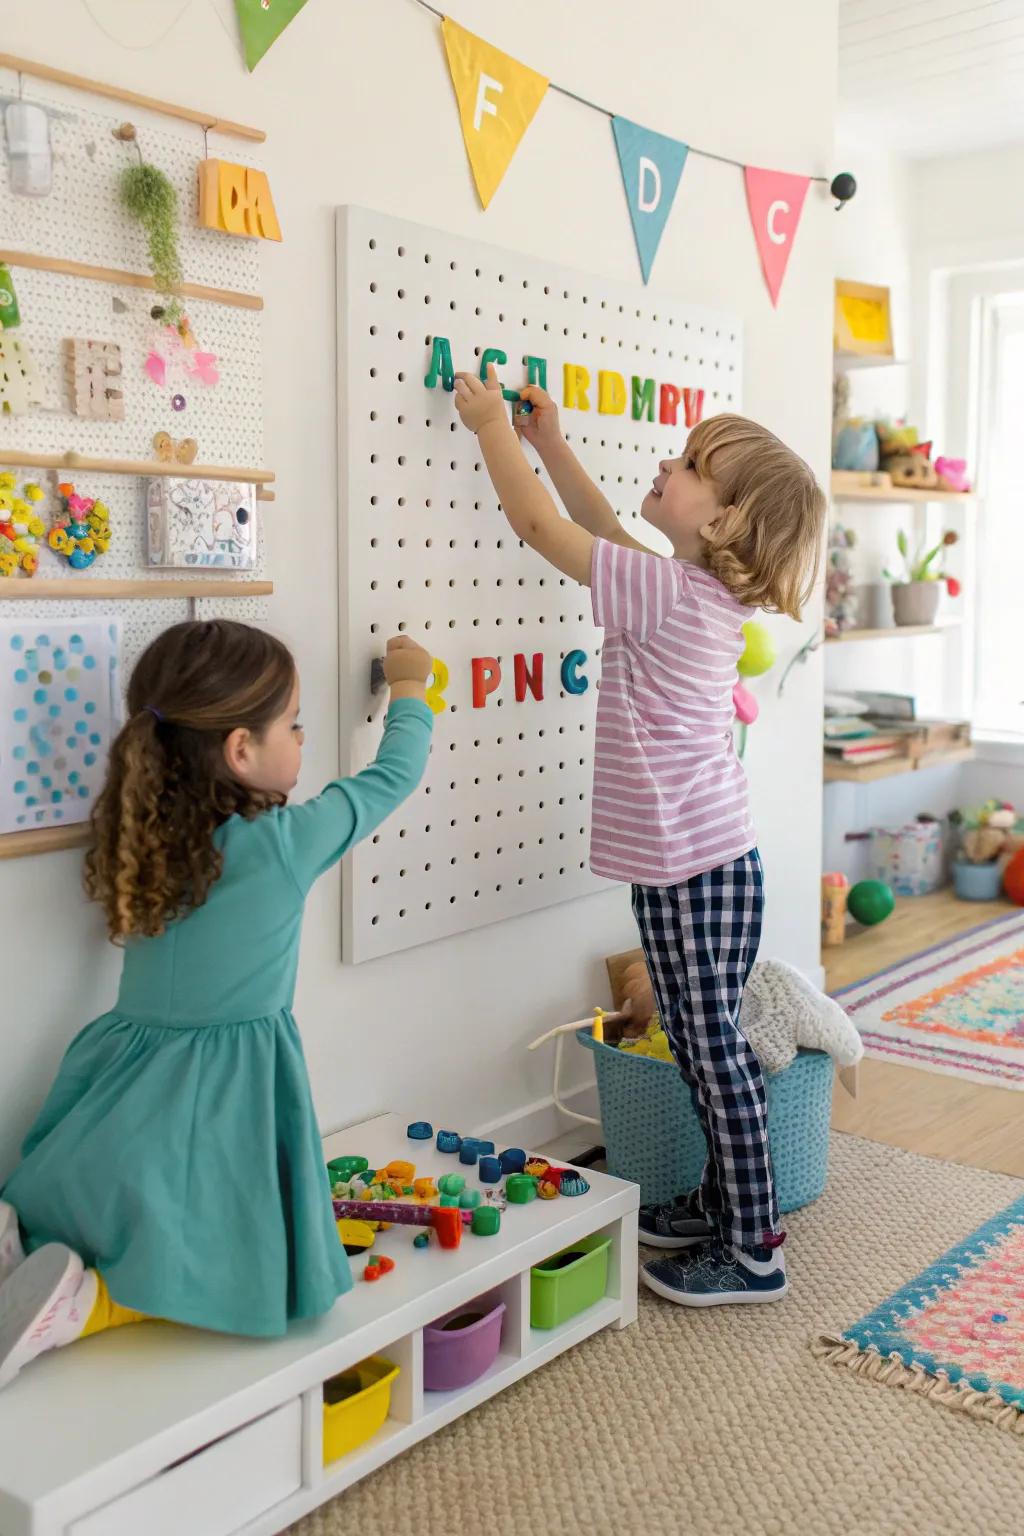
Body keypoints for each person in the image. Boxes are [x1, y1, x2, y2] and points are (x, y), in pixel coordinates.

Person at [454, 365, 824, 1307]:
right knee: (704, 1045)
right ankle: (720, 1200)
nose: (668, 461)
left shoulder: (670, 596)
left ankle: (752, 1247)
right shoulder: (684, 592)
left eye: (694, 464)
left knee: (711, 1052)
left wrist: (493, 426)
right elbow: (606, 535)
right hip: (693, 865)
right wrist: (552, 444)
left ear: (726, 523)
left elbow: (547, 532)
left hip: (697, 869)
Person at [0, 620, 433, 1387]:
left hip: (124, 1075)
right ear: (240, 751)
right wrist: (410, 688)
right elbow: (389, 779)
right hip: (223, 1084)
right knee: (221, 1256)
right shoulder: (282, 843)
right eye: (294, 725)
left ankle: (28, 1238)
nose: (302, 739)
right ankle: (86, 1304)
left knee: (113, 1195)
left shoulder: (147, 832)